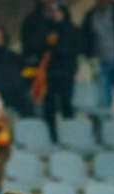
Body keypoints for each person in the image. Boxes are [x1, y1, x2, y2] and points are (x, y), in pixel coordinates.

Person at [22, 0, 81, 134]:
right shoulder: (48, 30)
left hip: (66, 73)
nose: (55, 14)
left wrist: (58, 50)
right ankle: (51, 134)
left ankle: (70, 133)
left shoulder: (71, 30)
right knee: (49, 106)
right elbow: (42, 48)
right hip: (51, 73)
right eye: (54, 12)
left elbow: (73, 50)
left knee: (66, 104)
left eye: (58, 12)